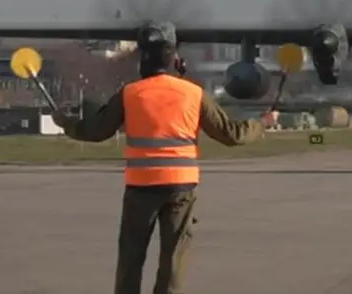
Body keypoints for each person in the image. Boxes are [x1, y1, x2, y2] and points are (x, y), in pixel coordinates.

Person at [52, 21, 276, 294]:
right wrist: (263, 122)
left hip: (140, 187)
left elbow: (96, 131)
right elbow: (232, 134)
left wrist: (65, 122)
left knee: (131, 258)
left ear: (143, 60)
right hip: (180, 188)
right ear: (175, 60)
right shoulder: (193, 94)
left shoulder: (130, 94)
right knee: (172, 260)